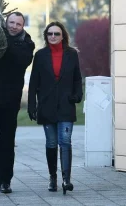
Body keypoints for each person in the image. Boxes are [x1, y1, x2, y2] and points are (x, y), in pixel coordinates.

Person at [0, 11, 35, 194]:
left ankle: (5, 180)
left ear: (22, 26)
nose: (13, 26)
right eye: (11, 22)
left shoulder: (27, 43)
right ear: (5, 22)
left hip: (10, 100)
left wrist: (2, 41)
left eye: (18, 24)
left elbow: (20, 60)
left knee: (6, 141)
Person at [27, 21, 83, 195]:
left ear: (62, 36)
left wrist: (77, 95)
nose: (53, 36)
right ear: (46, 36)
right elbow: (34, 81)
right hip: (46, 105)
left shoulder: (72, 54)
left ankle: (67, 179)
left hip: (66, 105)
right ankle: (53, 178)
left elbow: (77, 78)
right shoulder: (40, 55)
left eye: (56, 34)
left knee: (65, 141)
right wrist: (31, 105)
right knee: (51, 143)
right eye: (49, 34)